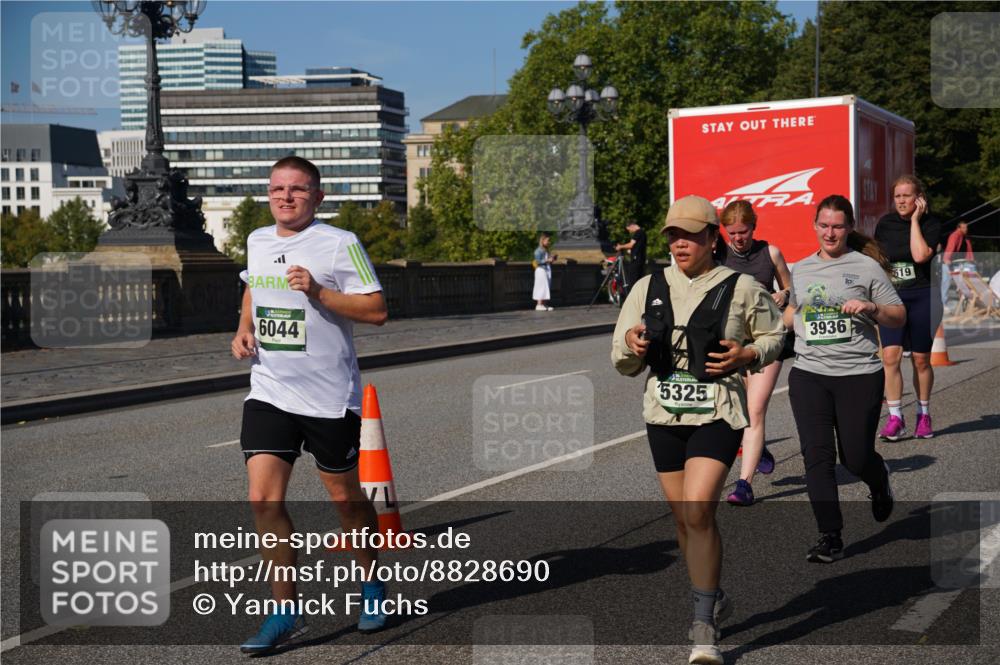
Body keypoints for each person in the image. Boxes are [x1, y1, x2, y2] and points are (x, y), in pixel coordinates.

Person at [612, 195, 785, 665]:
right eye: (673, 235)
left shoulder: (743, 287)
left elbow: (775, 335)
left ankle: (703, 627)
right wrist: (632, 345)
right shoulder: (647, 287)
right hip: (664, 415)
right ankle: (714, 594)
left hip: (718, 412)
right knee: (684, 518)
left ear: (713, 238)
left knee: (698, 509)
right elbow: (621, 358)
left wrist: (748, 355)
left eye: (691, 234)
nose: (680, 243)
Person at [230, 156, 389, 653]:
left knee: (345, 501)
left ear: (317, 197)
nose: (286, 197)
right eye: (278, 189)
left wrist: (318, 291)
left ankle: (371, 584)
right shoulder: (257, 239)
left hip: (328, 397)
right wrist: (243, 328)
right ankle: (284, 612)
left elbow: (377, 310)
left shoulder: (339, 243)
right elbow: (254, 286)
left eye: (298, 190)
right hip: (271, 391)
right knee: (264, 501)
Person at [784, 195, 905, 564]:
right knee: (816, 457)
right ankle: (830, 535)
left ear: (849, 227)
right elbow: (794, 314)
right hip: (809, 374)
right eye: (824, 225)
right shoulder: (801, 268)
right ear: (814, 225)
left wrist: (872, 308)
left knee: (854, 458)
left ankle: (877, 476)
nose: (830, 233)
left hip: (858, 375)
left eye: (837, 226)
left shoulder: (866, 268)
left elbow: (898, 316)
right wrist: (781, 309)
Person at [718, 200, 794, 506]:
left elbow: (791, 291)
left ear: (754, 227)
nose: (738, 238)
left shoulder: (770, 253)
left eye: (743, 231)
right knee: (739, 413)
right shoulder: (717, 255)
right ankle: (758, 447)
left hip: (765, 343)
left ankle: (744, 485)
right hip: (730, 344)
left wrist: (783, 296)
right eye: (732, 232)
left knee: (756, 409)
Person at [874, 175, 942, 440]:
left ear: (919, 198)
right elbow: (878, 259)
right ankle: (895, 418)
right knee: (890, 357)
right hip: (892, 298)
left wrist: (915, 221)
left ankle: (923, 415)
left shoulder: (931, 223)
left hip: (924, 295)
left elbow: (920, 256)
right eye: (897, 196)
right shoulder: (885, 224)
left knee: (920, 359)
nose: (902, 201)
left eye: (907, 195)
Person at [941, 220, 974, 307]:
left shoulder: (965, 237)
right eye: (964, 227)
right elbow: (950, 247)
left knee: (963, 281)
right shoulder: (955, 235)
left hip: (958, 263)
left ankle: (966, 302)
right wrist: (946, 259)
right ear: (958, 228)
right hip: (948, 262)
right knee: (946, 282)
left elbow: (968, 250)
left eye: (966, 227)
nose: (966, 229)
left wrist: (971, 259)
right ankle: (943, 303)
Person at [615, 220, 648, 294]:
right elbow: (637, 246)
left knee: (632, 280)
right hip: (641, 259)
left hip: (636, 260)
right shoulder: (643, 233)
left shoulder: (638, 232)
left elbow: (631, 244)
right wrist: (631, 251)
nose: (630, 232)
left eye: (629, 230)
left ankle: (632, 297)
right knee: (640, 280)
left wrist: (621, 246)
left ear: (631, 226)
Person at [532, 233, 557, 311]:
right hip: (541, 270)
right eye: (548, 240)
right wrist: (547, 260)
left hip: (546, 269)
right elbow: (538, 261)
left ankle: (544, 304)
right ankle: (539, 304)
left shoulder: (546, 250)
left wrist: (552, 259)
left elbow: (547, 261)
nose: (549, 242)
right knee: (541, 287)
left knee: (546, 287)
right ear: (542, 241)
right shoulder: (538, 250)